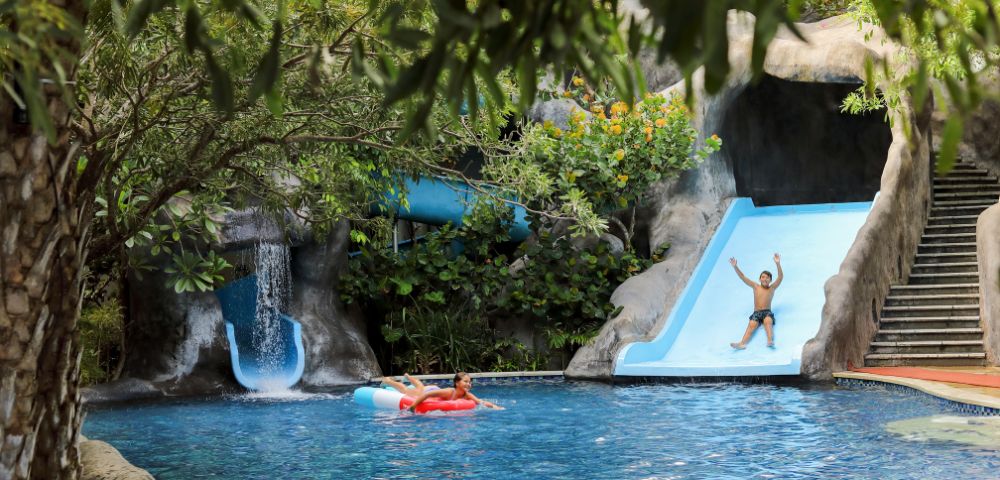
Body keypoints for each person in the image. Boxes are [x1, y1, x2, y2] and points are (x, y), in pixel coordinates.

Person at [728, 253, 783, 350]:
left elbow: (780, 277)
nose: (765, 279)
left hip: (767, 312)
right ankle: (742, 343)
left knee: (768, 322)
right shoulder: (755, 286)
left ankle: (770, 340)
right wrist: (735, 266)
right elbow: (743, 277)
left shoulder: (772, 288)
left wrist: (778, 264)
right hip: (756, 312)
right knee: (751, 325)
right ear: (759, 279)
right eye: (763, 277)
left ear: (770, 280)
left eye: (767, 277)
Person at [407, 372, 503, 411]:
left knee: (418, 387)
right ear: (457, 383)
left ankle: (411, 379)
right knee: (413, 389)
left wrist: (495, 406)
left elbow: (480, 402)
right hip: (431, 390)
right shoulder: (449, 392)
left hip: (436, 395)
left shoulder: (467, 395)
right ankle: (406, 378)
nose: (468, 384)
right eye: (465, 381)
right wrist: (413, 407)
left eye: (470, 382)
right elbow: (427, 395)